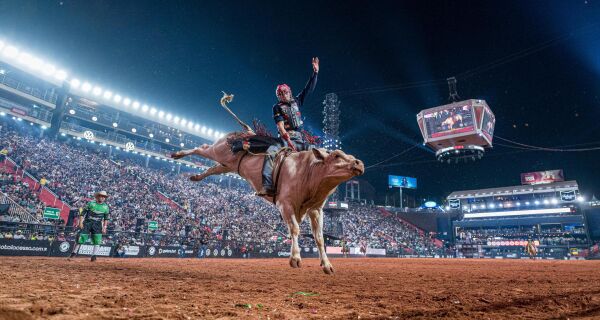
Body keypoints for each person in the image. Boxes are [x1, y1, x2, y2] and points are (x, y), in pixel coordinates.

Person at [258, 57, 319, 196]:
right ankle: (267, 185)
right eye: (280, 94)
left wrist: (315, 73)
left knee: (318, 153)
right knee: (271, 152)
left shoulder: (297, 101)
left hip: (301, 139)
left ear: (289, 92)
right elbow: (280, 126)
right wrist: (288, 140)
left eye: (284, 92)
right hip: (285, 139)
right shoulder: (276, 107)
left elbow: (307, 89)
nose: (283, 95)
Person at [69, 191, 110, 262]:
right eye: (101, 196)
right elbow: (83, 213)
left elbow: (106, 218)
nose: (102, 198)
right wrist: (81, 222)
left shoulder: (106, 207)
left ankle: (94, 256)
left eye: (104, 197)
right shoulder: (91, 203)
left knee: (97, 240)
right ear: (98, 196)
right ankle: (73, 253)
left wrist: (104, 227)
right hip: (87, 223)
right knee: (80, 238)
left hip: (97, 225)